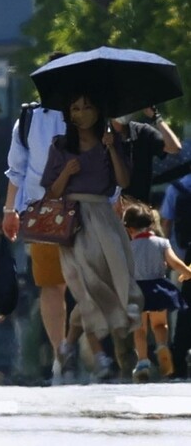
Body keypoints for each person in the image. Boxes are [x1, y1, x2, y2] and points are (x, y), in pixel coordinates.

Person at [40, 92, 143, 381]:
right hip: (73, 221)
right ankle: (93, 350)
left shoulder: (111, 142)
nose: (82, 112)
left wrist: (112, 149)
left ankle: (71, 344)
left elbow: (123, 181)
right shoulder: (61, 146)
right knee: (86, 284)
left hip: (104, 218)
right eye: (76, 107)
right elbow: (52, 191)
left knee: (110, 282)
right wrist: (67, 173)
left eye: (88, 106)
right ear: (69, 114)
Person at [2, 71, 75, 383]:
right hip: (41, 210)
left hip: (81, 205)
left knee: (81, 284)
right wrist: (9, 210)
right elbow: (15, 168)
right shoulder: (29, 118)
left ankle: (77, 349)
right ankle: (62, 354)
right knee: (51, 283)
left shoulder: (87, 113)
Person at [123, 204, 191, 381]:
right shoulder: (162, 243)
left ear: (129, 228)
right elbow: (174, 262)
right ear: (151, 224)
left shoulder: (129, 247)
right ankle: (162, 347)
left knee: (139, 329)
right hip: (158, 288)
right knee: (160, 325)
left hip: (137, 291)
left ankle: (143, 362)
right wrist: (187, 272)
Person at [110, 106, 182, 207]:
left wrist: (156, 117)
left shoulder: (142, 131)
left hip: (139, 211)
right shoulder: (101, 134)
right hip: (109, 210)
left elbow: (174, 147)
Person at [160, 173, 191, 377]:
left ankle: (178, 361)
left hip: (185, 256)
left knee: (185, 309)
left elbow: (166, 225)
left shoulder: (178, 187)